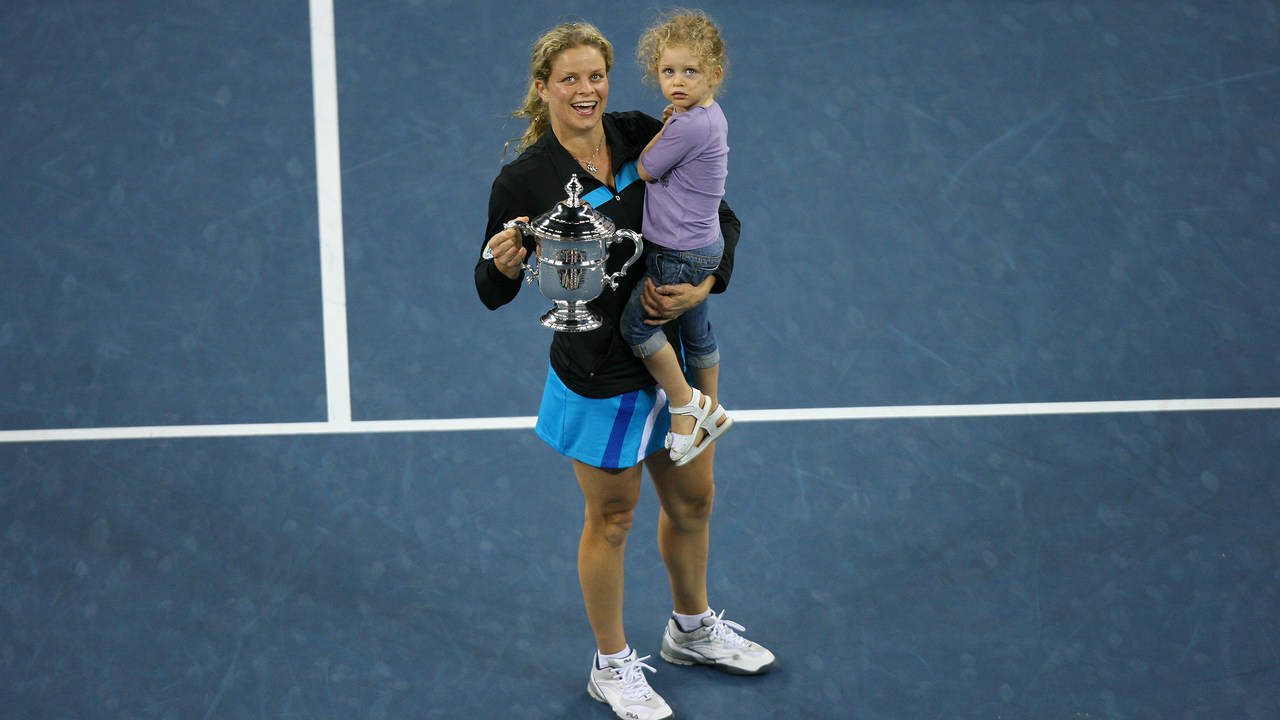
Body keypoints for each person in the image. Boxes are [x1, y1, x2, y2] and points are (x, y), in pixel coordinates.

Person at [475, 20, 774, 720]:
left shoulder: (644, 130)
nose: (586, 91)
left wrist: (706, 285)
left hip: (668, 352)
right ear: (543, 88)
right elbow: (490, 289)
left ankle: (691, 629)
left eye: (596, 76)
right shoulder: (525, 180)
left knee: (694, 501)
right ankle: (611, 665)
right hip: (601, 373)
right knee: (613, 519)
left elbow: (718, 218)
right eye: (570, 79)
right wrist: (501, 264)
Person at [621, 9, 732, 468]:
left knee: (638, 326)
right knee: (695, 332)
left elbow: (646, 168)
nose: (678, 82)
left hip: (677, 254)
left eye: (691, 71)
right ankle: (712, 412)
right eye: (668, 72)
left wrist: (666, 127)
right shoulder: (707, 115)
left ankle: (687, 406)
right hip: (705, 248)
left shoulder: (687, 125)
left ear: (715, 74)